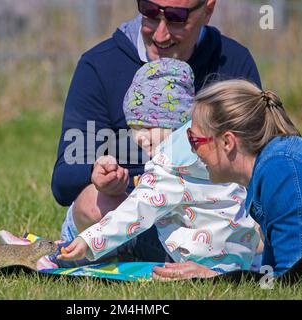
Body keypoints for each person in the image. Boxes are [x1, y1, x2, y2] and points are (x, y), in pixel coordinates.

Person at [51, 0, 262, 262]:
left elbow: (256, 164)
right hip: (129, 203)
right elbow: (63, 180)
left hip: (202, 215)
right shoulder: (100, 65)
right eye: (149, 12)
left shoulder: (233, 63)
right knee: (95, 203)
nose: (160, 35)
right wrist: (99, 173)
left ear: (207, 9)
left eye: (177, 17)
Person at [153, 79, 302, 279]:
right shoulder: (271, 167)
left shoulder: (280, 170)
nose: (192, 150)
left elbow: (298, 278)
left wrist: (215, 279)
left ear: (227, 142)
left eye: (195, 140)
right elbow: (272, 276)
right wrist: (213, 275)